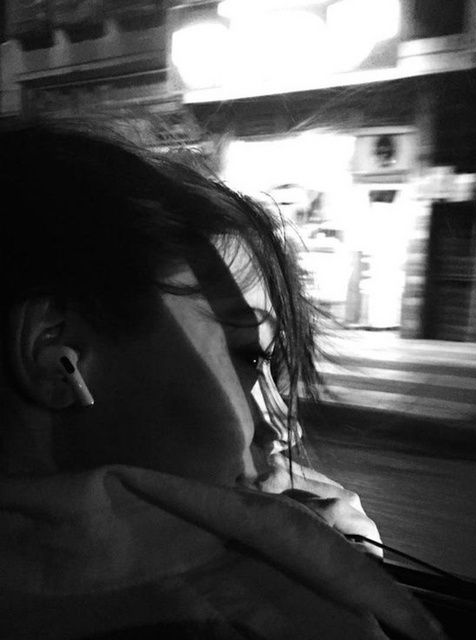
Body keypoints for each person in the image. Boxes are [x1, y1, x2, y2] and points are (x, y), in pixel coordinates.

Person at [0, 120, 445, 639]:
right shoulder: (249, 610)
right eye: (247, 357)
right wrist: (337, 572)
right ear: (53, 350)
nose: (285, 427)